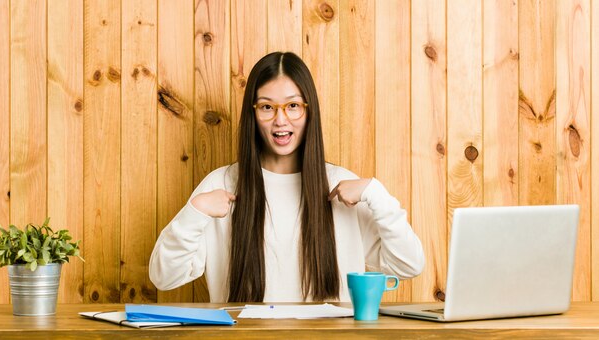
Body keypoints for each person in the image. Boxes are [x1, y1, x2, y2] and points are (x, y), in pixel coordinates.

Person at [149, 52, 425, 303]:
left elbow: (408, 265)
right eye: (267, 107)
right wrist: (195, 212)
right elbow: (165, 277)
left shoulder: (342, 187)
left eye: (293, 106)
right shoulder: (220, 186)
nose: (281, 120)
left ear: (308, 111)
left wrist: (375, 193)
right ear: (253, 114)